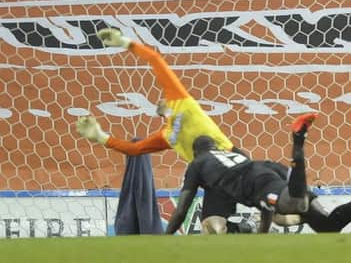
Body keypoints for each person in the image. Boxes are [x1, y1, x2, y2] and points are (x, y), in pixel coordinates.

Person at [76, 27, 238, 234]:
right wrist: (100, 137)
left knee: (277, 211)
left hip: (233, 160)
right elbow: (134, 150)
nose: (159, 98)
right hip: (211, 176)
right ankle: (243, 230)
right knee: (211, 227)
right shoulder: (168, 136)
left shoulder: (181, 100)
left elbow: (155, 59)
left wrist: (126, 43)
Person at [166, 113, 316, 234]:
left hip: (224, 187)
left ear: (195, 153)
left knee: (212, 226)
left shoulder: (198, 163)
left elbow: (182, 209)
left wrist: (166, 236)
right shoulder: (233, 153)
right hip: (252, 181)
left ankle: (247, 227)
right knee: (279, 211)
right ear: (215, 146)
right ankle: (254, 225)